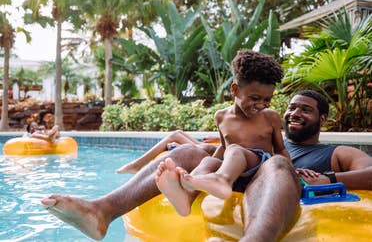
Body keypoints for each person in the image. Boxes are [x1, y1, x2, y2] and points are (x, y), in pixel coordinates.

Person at [40, 90, 372, 240]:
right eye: (292, 108)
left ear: (322, 119)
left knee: (278, 167)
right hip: (241, 182)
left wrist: (326, 177)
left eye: (306, 110)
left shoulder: (335, 152)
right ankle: (102, 212)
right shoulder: (266, 139)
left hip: (283, 189)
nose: (295, 114)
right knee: (193, 151)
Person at [156, 50, 291, 216]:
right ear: (235, 90)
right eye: (255, 98)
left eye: (267, 100)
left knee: (235, 150)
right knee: (209, 161)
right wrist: (207, 165)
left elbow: (280, 150)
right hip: (235, 177)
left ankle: (221, 180)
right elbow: (223, 147)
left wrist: (291, 172)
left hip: (262, 172)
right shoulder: (221, 117)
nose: (261, 104)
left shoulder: (270, 116)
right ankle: (186, 196)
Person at [116, 130, 219, 173]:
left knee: (175, 136)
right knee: (178, 132)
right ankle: (136, 165)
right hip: (216, 147)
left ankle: (136, 165)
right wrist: (217, 139)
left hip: (217, 153)